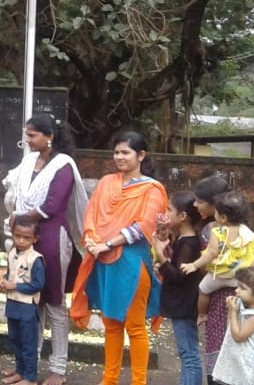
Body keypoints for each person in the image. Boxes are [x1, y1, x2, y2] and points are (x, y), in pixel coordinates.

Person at [70, 131, 168, 385]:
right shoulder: (106, 182)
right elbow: (90, 214)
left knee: (134, 326)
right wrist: (92, 239)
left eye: (125, 152)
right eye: (116, 152)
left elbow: (144, 226)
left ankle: (139, 382)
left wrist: (108, 243)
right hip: (103, 260)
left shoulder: (152, 189)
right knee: (111, 323)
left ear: (141, 155)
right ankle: (109, 380)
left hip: (132, 262)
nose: (119, 157)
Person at [2, 113, 88, 385]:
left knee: (53, 303)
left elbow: (51, 206)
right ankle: (27, 367)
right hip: (24, 235)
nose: (26, 140)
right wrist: (17, 217)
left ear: (49, 136)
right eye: (27, 134)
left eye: (32, 135)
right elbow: (14, 191)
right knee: (28, 303)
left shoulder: (63, 165)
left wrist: (21, 216)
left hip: (51, 238)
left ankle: (58, 370)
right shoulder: (29, 161)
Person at [180, 192, 254, 319]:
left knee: (203, 289)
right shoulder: (247, 232)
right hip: (239, 276)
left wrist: (194, 265)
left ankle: (202, 314)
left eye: (216, 212)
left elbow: (212, 253)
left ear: (223, 218)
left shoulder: (218, 232)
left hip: (220, 274)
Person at [153, 191, 206, 385]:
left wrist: (161, 255)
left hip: (184, 305)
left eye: (169, 210)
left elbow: (178, 277)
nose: (166, 213)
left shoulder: (189, 244)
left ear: (182, 216)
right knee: (186, 353)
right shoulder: (183, 241)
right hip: (183, 304)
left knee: (189, 354)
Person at [192, 175, 233, 385]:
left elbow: (208, 262)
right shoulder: (242, 229)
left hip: (220, 297)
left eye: (199, 201)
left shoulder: (212, 231)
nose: (195, 204)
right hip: (238, 292)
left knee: (218, 346)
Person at [0, 214, 46, 385]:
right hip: (12, 303)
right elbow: (10, 273)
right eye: (17, 236)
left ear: (35, 238)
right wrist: (5, 281)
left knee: (28, 343)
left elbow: (38, 284)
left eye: (26, 238)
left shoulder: (36, 259)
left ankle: (30, 378)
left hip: (27, 306)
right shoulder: (12, 253)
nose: (21, 241)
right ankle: (20, 371)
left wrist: (15, 286)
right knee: (15, 339)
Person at [211, 267, 254, 385]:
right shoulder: (245, 306)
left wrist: (233, 312)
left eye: (242, 288)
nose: (237, 290)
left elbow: (238, 336)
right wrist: (232, 311)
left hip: (250, 366)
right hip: (239, 361)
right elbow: (230, 329)